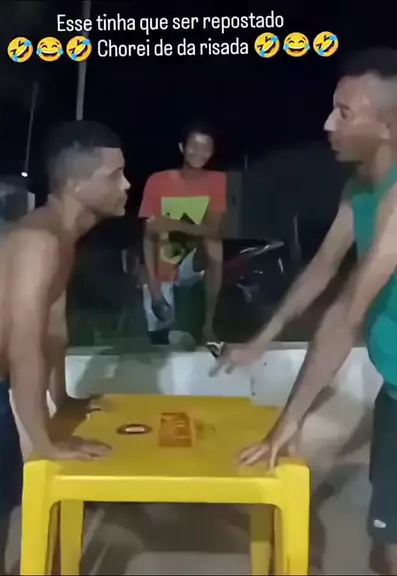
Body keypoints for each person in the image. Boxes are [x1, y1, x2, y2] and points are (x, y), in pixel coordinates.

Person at [215, 48, 397, 573]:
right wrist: (263, 338)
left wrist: (288, 421)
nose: (327, 124)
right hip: (395, 388)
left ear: (386, 127)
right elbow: (321, 269)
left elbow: (346, 313)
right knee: (388, 538)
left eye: (344, 112)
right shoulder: (358, 189)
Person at [0, 120, 129, 575]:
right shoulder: (39, 241)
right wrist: (46, 444)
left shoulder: (61, 239)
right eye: (114, 176)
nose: (126, 185)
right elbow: (24, 345)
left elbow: (53, 332)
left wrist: (63, 402)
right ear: (77, 185)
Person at [139, 122, 226, 345]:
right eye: (193, 146)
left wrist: (173, 224)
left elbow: (212, 229)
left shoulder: (216, 181)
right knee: (161, 333)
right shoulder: (158, 181)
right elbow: (148, 236)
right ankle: (164, 327)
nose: (199, 153)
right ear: (181, 147)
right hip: (164, 259)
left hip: (192, 261)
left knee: (214, 245)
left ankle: (208, 326)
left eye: (206, 148)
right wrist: (155, 291)